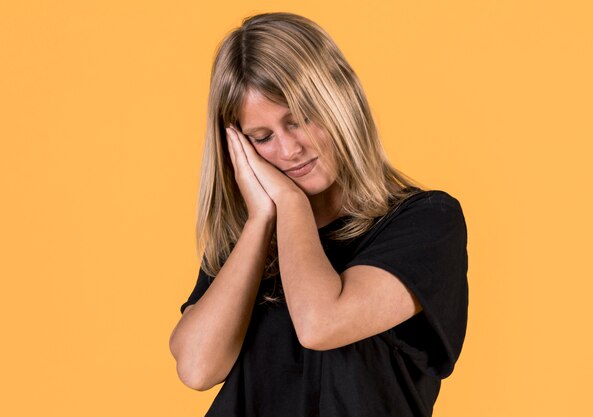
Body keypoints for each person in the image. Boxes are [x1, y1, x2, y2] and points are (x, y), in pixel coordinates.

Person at [169, 11, 469, 417]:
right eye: (262, 137)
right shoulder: (249, 241)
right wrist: (260, 221)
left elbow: (320, 324)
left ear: (340, 101)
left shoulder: (427, 221)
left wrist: (290, 203)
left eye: (300, 120)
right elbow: (197, 367)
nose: (289, 149)